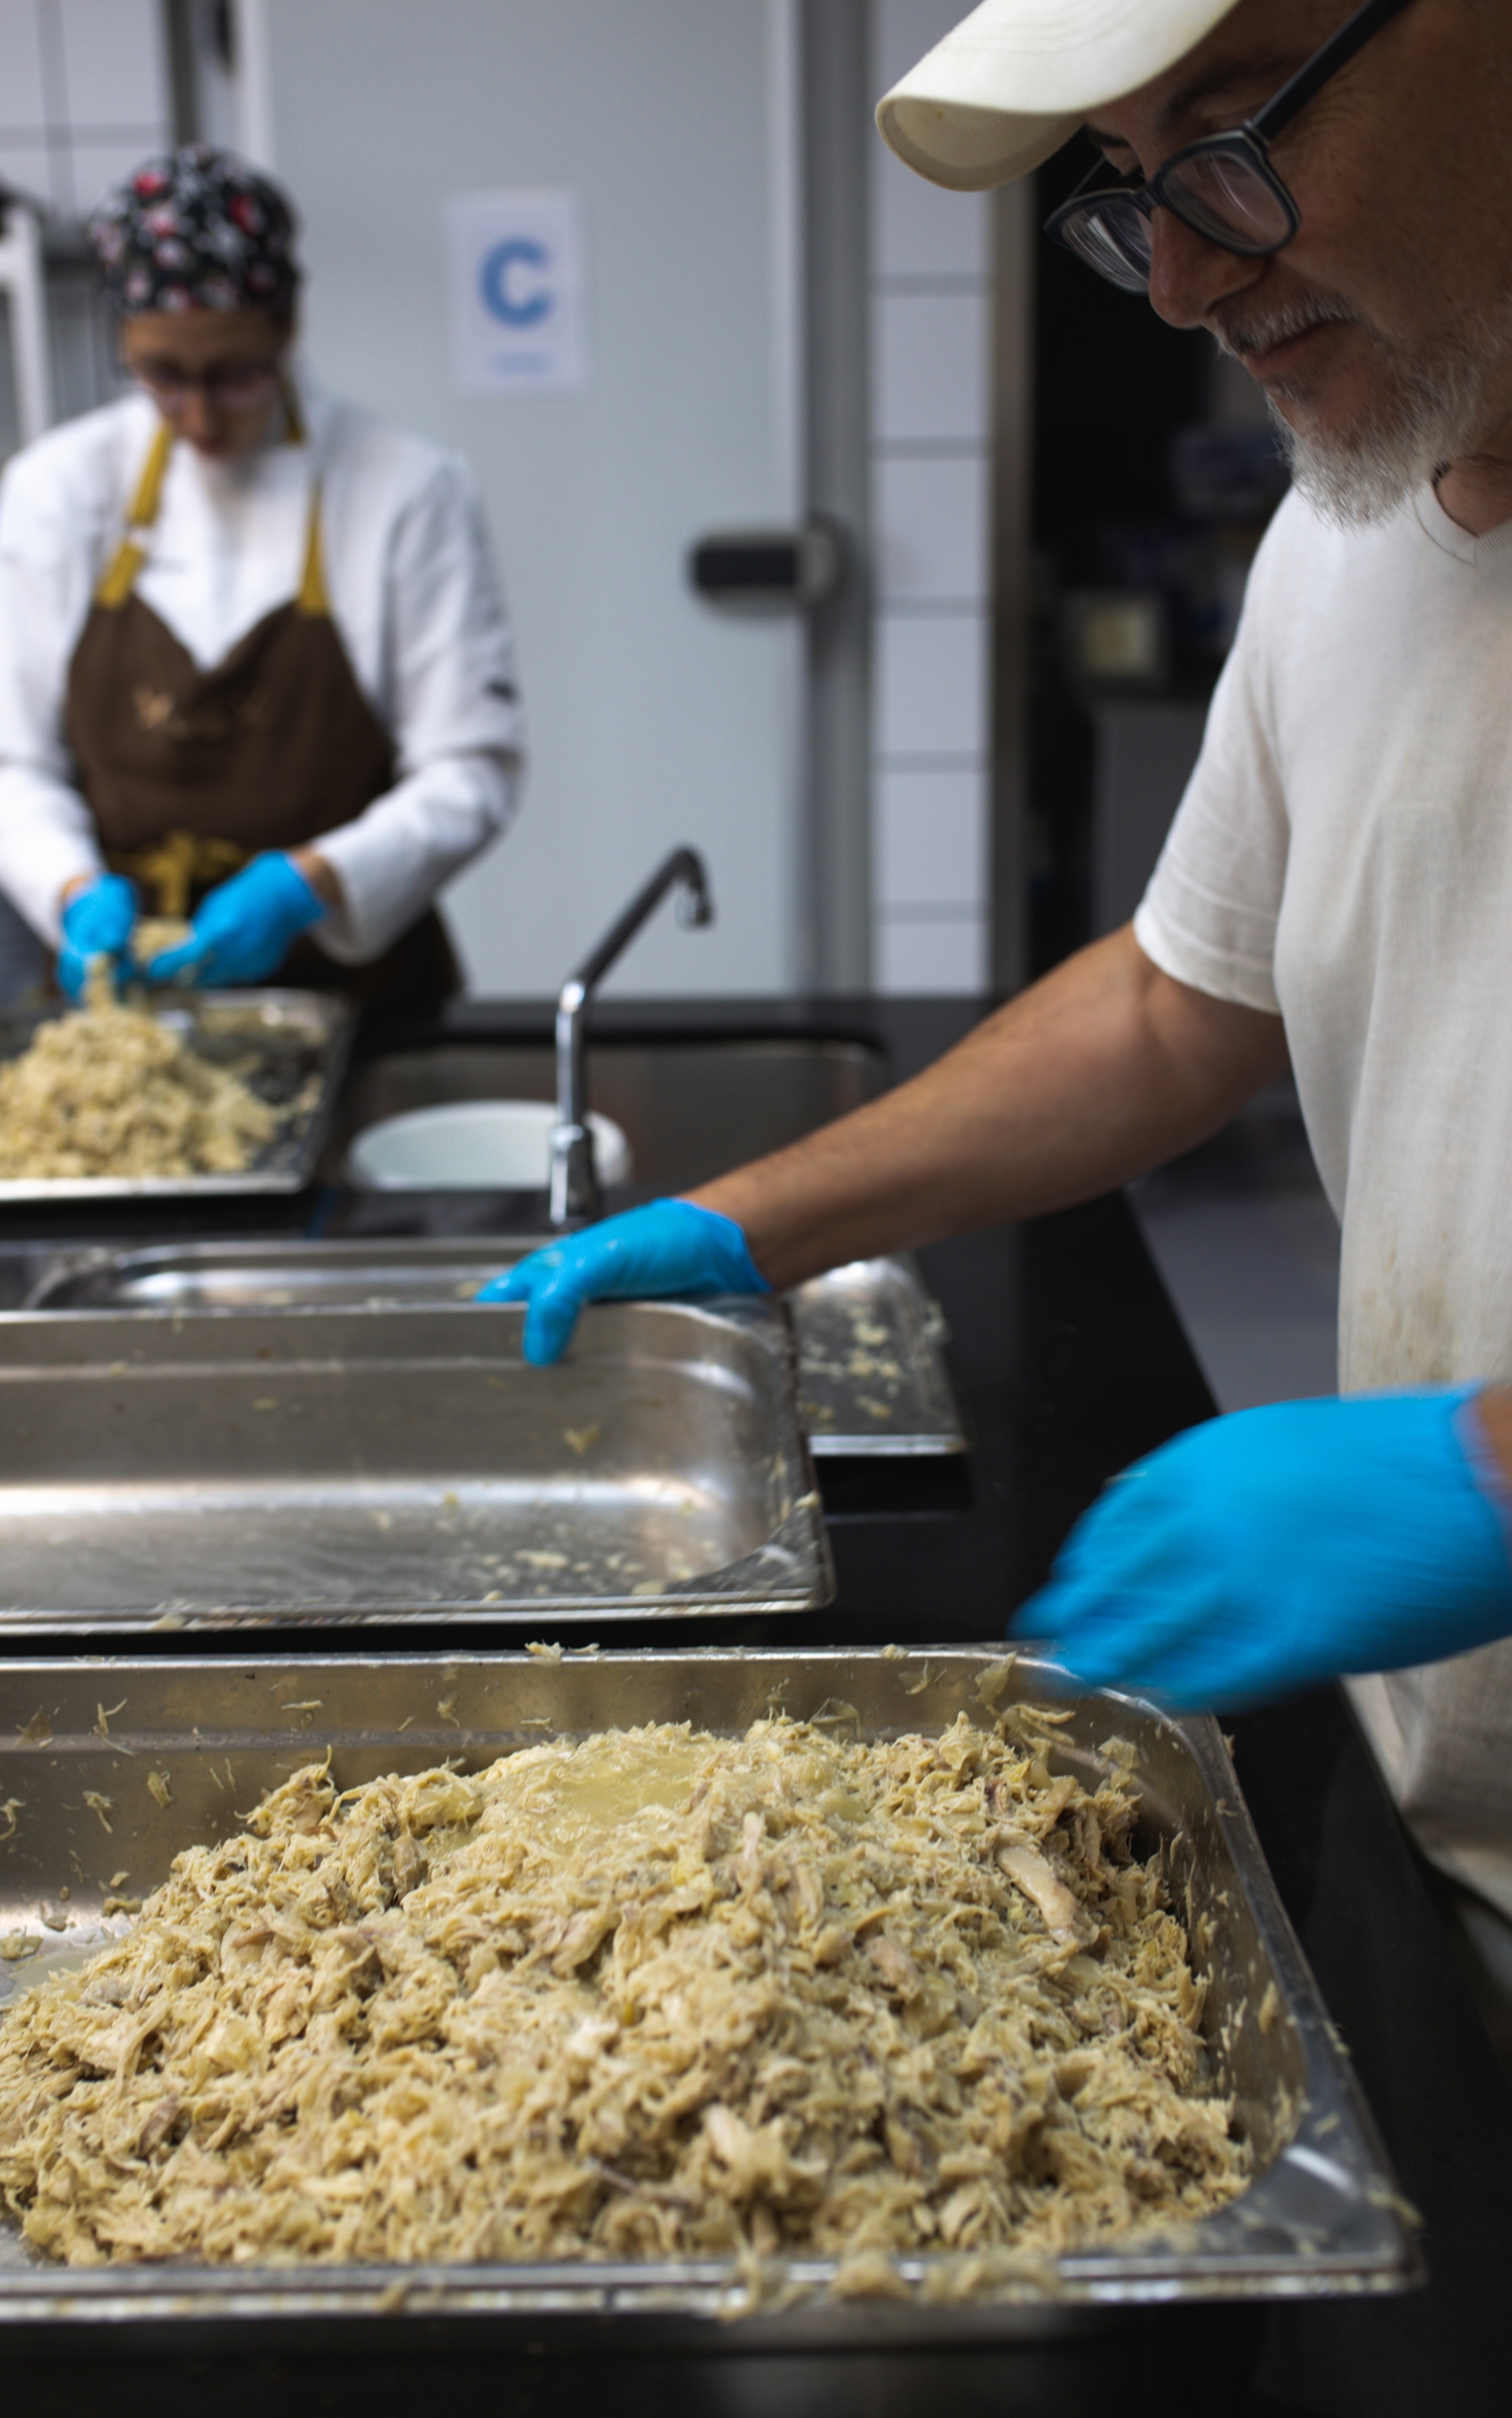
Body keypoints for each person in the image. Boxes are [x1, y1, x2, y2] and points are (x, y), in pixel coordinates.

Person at [484, 0, 1512, 2001]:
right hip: (1436, 1819)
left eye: (1232, 135)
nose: (1180, 279)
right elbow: (1172, 1002)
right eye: (1131, 189)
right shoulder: (1346, 535)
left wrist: (1483, 1474)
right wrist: (749, 1227)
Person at [0, 145, 522, 1006]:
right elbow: (12, 768)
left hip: (359, 996)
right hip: (122, 1000)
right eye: (163, 375)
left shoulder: (404, 488)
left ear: (288, 331)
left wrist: (313, 883)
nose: (198, 416)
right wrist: (71, 889)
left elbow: (470, 768)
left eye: (236, 375)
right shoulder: (60, 491)